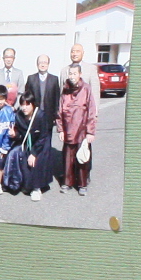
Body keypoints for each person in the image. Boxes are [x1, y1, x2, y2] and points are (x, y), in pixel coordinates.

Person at [57, 51, 96, 194]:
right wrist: (60, 129)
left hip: (82, 130)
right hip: (68, 129)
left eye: (75, 74)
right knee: (68, 158)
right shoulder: (65, 89)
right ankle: (67, 182)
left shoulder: (86, 89)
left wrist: (90, 132)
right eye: (70, 74)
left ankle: (82, 184)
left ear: (80, 74)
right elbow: (60, 111)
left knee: (82, 158)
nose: (72, 76)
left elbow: (91, 111)